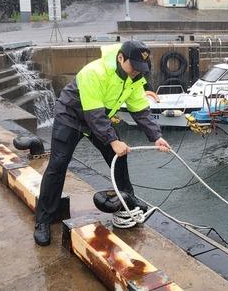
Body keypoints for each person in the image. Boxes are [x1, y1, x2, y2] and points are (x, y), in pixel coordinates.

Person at [34, 40, 171, 246]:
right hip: (71, 116)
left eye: (140, 68)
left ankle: (127, 204)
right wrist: (113, 140)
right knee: (58, 164)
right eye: (133, 66)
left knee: (119, 157)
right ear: (120, 58)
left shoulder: (134, 78)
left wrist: (156, 136)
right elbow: (94, 113)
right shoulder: (94, 72)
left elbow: (140, 110)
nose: (136, 72)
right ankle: (43, 220)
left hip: (99, 119)